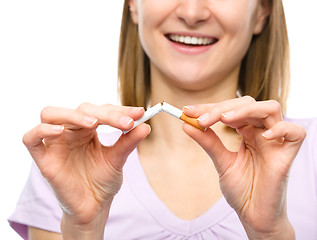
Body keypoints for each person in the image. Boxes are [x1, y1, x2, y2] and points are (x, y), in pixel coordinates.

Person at [8, 0, 317, 239]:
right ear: (133, 4)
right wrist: (83, 229)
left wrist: (270, 234)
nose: (193, 12)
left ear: (262, 11)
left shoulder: (307, 153)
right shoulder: (68, 158)